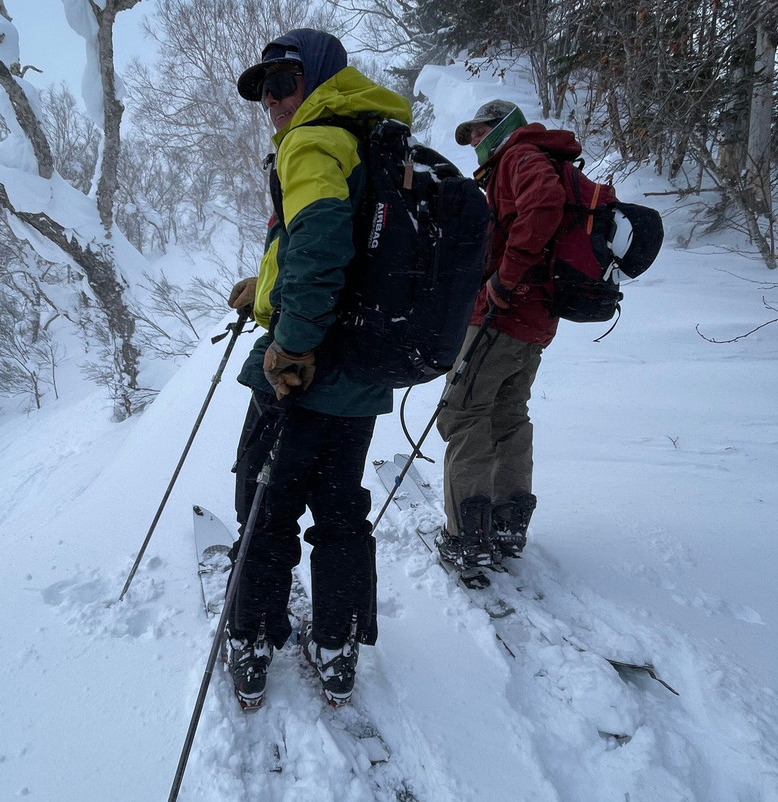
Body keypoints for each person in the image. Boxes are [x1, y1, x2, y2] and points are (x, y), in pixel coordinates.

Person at [223, 29, 412, 709]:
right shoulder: (371, 137)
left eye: (284, 82)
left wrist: (292, 343)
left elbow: (324, 242)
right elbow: (342, 245)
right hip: (361, 374)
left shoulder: (311, 141)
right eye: (263, 90)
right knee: (339, 512)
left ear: (320, 76)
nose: (272, 100)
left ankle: (251, 640)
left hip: (303, 373)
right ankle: (336, 648)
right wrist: (265, 287)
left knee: (264, 508)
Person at [435, 100, 583, 574]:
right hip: (533, 321)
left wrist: (505, 277)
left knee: (463, 413)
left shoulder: (519, 156)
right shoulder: (533, 157)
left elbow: (543, 205)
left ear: (501, 127)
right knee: (506, 415)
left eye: (478, 132)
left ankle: (468, 534)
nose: (474, 143)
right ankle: (506, 522)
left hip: (503, 316)